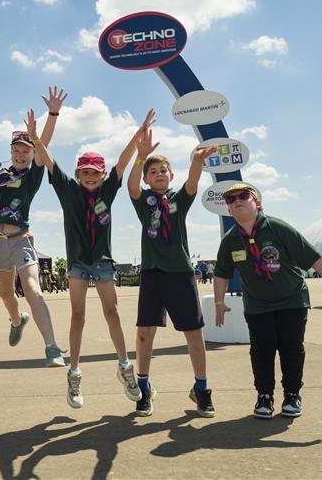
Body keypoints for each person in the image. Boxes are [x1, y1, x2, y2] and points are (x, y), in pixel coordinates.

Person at [27, 107, 144, 409]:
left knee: (112, 313)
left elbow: (123, 161)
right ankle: (74, 373)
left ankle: (125, 367)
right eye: (85, 172)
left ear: (102, 175)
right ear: (78, 174)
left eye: (95, 172)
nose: (90, 177)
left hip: (103, 261)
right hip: (77, 262)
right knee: (77, 316)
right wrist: (35, 137)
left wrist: (138, 134)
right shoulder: (67, 189)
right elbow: (49, 160)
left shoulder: (109, 190)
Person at [214, 182, 322, 418]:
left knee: (291, 348)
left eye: (244, 196)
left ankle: (292, 395)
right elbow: (221, 273)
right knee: (261, 350)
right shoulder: (231, 240)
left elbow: (310, 255)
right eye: (231, 200)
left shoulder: (278, 228)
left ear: (258, 202)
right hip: (257, 305)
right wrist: (219, 304)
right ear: (229, 210)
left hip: (291, 300)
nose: (238, 201)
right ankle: (264, 396)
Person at [127, 113, 218, 418]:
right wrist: (140, 157)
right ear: (147, 177)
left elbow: (193, 180)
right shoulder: (144, 202)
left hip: (180, 274)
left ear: (171, 175)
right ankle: (144, 388)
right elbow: (131, 186)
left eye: (163, 170)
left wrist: (197, 159)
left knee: (193, 332)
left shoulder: (179, 200)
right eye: (153, 171)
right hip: (152, 275)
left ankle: (202, 389)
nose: (159, 174)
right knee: (144, 334)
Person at [0, 89, 67, 367]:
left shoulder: (32, 175)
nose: (21, 154)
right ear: (10, 152)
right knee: (4, 293)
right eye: (17, 150)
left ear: (33, 153)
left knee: (33, 288)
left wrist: (51, 116)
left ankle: (51, 347)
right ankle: (17, 319)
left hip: (21, 239)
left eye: (26, 150)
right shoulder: (0, 176)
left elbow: (44, 144)